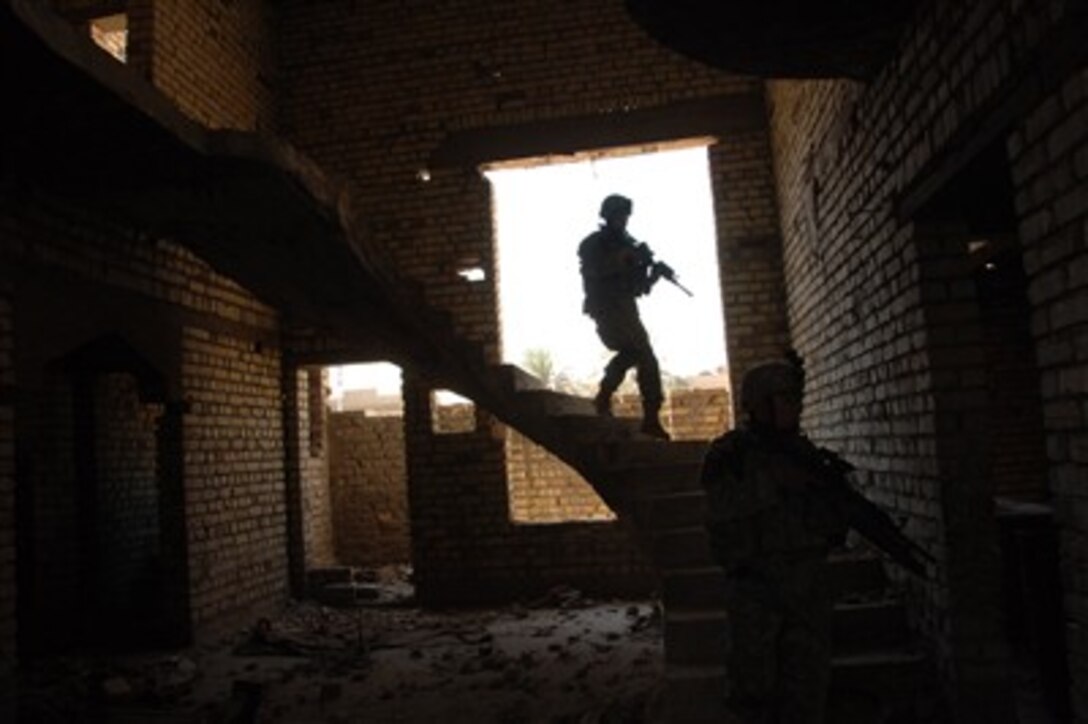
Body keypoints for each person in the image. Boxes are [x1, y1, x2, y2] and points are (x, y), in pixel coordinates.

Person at [700, 359, 848, 723]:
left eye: (795, 398)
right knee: (753, 691)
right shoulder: (730, 454)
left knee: (808, 689)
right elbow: (722, 517)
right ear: (759, 403)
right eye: (784, 398)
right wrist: (774, 485)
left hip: (806, 589)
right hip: (757, 591)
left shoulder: (805, 454)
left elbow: (829, 527)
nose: (794, 406)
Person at [578, 193, 669, 440]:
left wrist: (653, 273)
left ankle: (605, 396)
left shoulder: (628, 244)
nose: (623, 220)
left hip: (626, 308)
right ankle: (649, 418)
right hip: (606, 307)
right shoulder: (593, 243)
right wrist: (627, 258)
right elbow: (594, 271)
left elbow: (638, 288)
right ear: (607, 216)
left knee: (635, 353)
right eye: (619, 215)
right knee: (645, 355)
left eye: (626, 216)